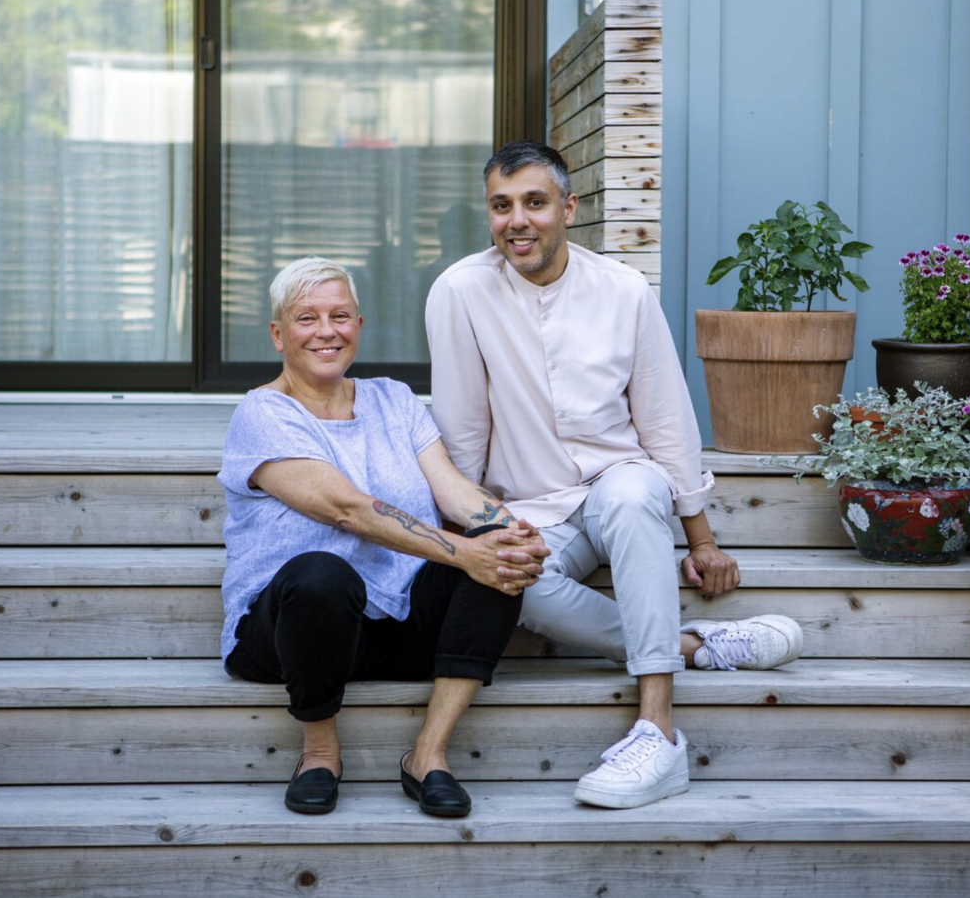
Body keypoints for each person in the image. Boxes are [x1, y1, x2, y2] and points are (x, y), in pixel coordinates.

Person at [425, 141, 804, 810]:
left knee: (632, 493)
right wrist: (476, 534)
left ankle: (657, 730)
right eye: (501, 205)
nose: (518, 220)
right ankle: (695, 645)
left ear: (569, 208)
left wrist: (704, 540)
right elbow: (461, 432)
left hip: (616, 486)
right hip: (531, 507)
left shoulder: (624, 290)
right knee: (515, 585)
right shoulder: (459, 291)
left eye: (535, 202)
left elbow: (666, 420)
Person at [219, 255, 549, 817]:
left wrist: (507, 531)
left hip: (396, 625)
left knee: (497, 562)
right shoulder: (262, 413)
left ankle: (428, 754)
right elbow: (348, 510)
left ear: (359, 326)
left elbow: (452, 491)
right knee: (321, 571)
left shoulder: (394, 400)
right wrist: (465, 551)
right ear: (278, 334)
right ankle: (320, 753)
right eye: (307, 318)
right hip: (287, 634)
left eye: (340, 315)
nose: (327, 331)